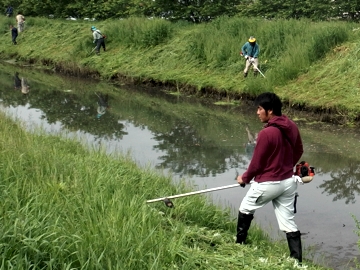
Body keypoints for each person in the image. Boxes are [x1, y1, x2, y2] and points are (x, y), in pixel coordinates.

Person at [236, 92, 304, 264]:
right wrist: (286, 166)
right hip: (289, 183)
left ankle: (239, 245)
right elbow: (299, 151)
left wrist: (244, 178)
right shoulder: (292, 126)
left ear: (270, 110)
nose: (257, 113)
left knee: (245, 207)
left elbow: (257, 164)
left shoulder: (266, 134)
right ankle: (296, 262)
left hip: (268, 183)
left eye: (260, 109)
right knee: (288, 222)